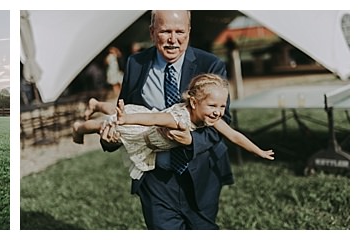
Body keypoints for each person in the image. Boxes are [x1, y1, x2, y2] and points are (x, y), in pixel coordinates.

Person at [100, 10, 233, 229]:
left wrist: (191, 141)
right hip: (155, 179)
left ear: (189, 31)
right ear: (152, 33)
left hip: (201, 176)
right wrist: (110, 139)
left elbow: (222, 121)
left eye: (179, 31)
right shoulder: (136, 64)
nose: (173, 39)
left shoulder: (210, 64)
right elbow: (123, 113)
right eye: (165, 32)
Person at [74, 74, 274, 179]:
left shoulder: (211, 119)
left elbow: (234, 135)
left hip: (140, 124)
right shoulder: (178, 120)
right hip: (138, 129)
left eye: (222, 106)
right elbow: (153, 119)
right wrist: (126, 120)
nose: (218, 111)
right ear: (194, 103)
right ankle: (80, 128)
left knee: (116, 112)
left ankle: (96, 104)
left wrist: (258, 151)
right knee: (102, 124)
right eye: (213, 106)